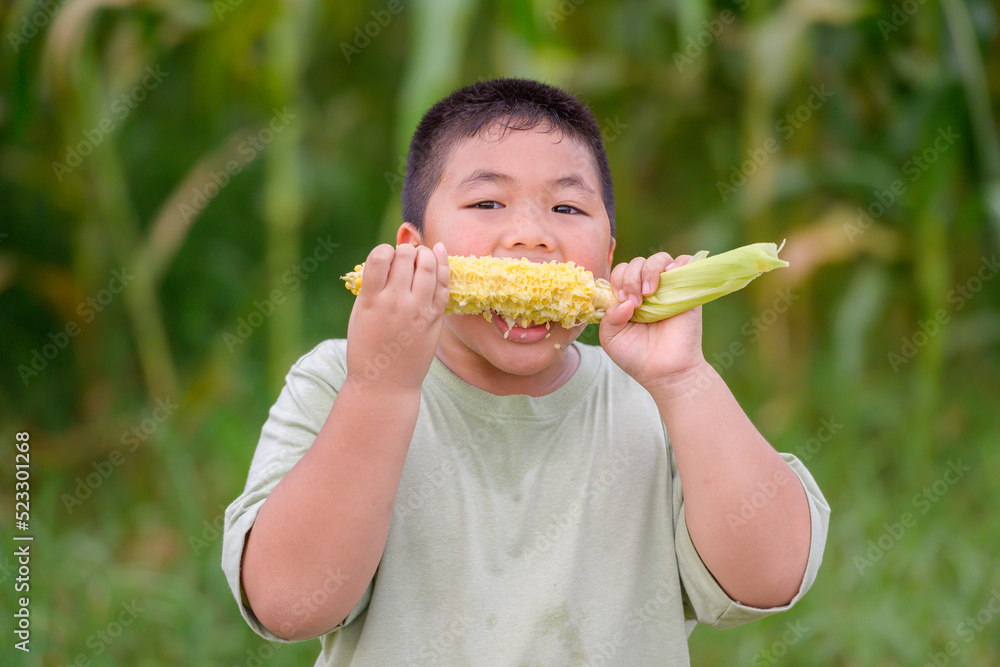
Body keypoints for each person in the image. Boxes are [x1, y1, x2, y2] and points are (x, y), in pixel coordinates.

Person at [222, 78, 829, 665]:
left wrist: (682, 380)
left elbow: (770, 579)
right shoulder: (340, 380)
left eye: (567, 207)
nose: (532, 237)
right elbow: (288, 604)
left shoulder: (651, 401)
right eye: (487, 202)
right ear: (414, 251)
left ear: (610, 254)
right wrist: (381, 388)